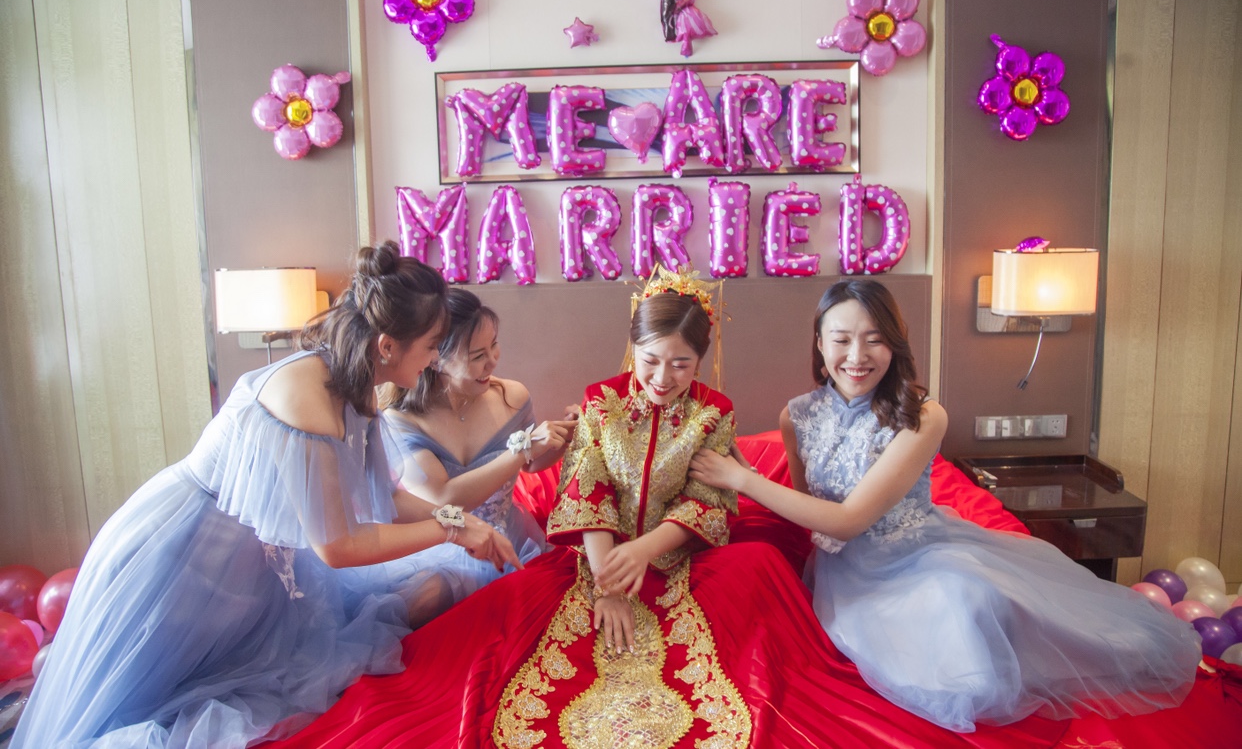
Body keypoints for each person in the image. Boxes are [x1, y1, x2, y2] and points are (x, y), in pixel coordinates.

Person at [271, 269, 1076, 749]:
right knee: (501, 636)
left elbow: (709, 500)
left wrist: (649, 549)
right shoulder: (598, 404)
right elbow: (583, 487)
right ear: (634, 353)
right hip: (594, 563)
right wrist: (608, 576)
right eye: (652, 362)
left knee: (757, 573)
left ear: (702, 362)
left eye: (683, 365)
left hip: (681, 558)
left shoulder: (715, 415)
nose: (664, 381)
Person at [12, 242, 521, 749]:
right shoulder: (307, 400)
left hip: (244, 560)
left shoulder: (356, 384)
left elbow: (384, 501)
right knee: (138, 706)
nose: (434, 359)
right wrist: (452, 529)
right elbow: (338, 547)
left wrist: (459, 520)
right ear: (388, 346)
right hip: (184, 555)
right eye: (432, 345)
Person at [688, 279, 1202, 733]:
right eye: (841, 339)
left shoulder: (923, 415)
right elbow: (806, 506)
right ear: (820, 344)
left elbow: (848, 520)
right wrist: (746, 479)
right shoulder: (796, 416)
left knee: (969, 597)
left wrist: (743, 479)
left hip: (916, 557)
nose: (856, 356)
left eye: (874, 339)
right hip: (848, 576)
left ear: (895, 343)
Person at [359, 288, 575, 627]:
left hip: (512, 537)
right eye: (477, 355)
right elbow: (444, 499)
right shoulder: (402, 420)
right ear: (436, 358)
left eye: (494, 346)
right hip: (443, 539)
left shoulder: (512, 397)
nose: (493, 361)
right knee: (418, 602)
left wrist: (562, 440)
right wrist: (522, 449)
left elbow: (532, 465)